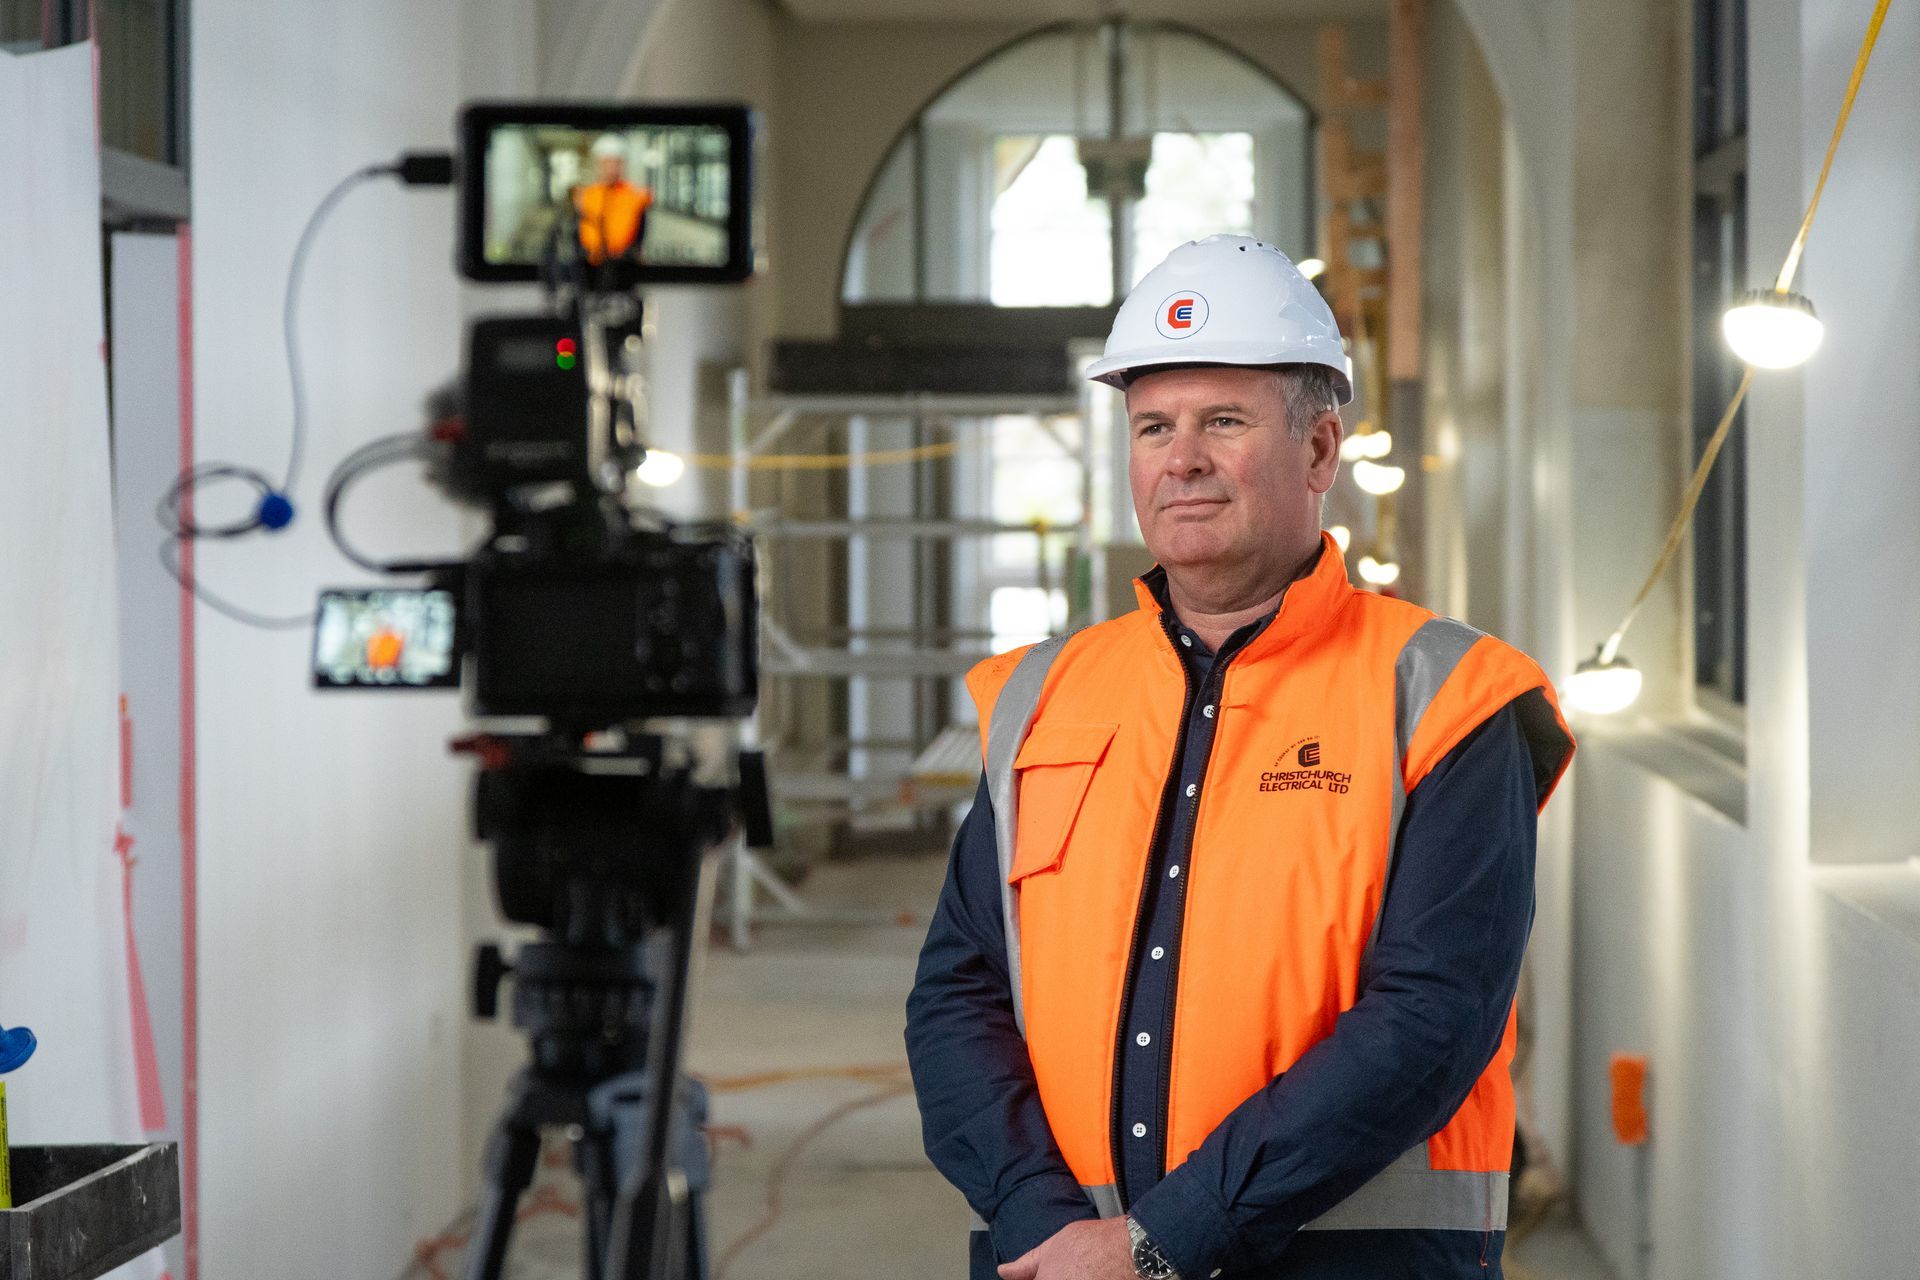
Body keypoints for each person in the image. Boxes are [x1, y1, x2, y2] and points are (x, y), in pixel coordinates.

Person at [905, 235, 1576, 1280]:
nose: (1183, 459)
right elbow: (959, 989)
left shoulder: (1446, 696)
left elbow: (1429, 1018)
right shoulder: (1042, 696)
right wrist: (1044, 1221)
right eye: (1153, 427)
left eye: (1224, 421)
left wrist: (1163, 1240)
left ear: (1319, 451)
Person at [572, 133, 652, 265]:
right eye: (606, 162)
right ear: (598, 164)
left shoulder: (636, 196)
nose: (611, 169)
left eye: (616, 163)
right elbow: (576, 234)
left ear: (623, 165)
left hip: (624, 266)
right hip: (589, 268)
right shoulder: (585, 195)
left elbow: (640, 236)